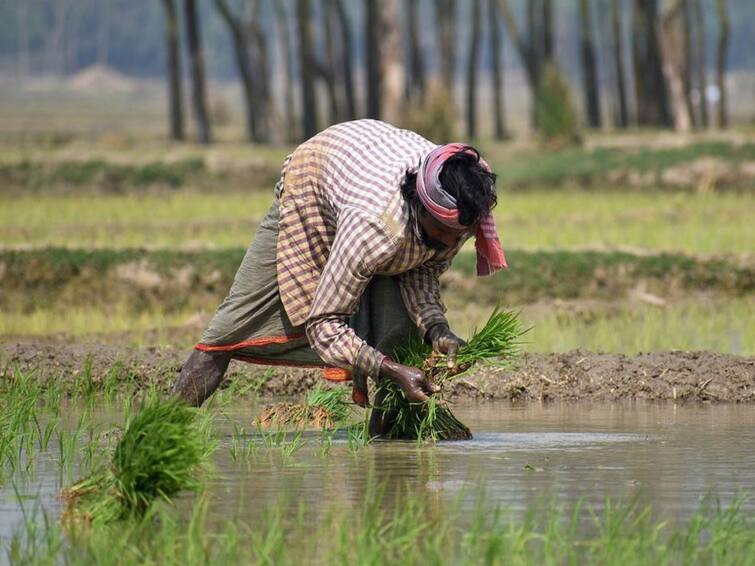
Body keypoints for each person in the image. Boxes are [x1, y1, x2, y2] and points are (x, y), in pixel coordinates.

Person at [172, 119, 506, 434]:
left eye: (458, 236)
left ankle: (383, 447)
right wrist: (390, 369)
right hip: (314, 183)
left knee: (403, 335)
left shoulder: (458, 209)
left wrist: (437, 329)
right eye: (443, 233)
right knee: (230, 328)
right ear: (418, 206)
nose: (450, 244)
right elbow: (324, 324)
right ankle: (164, 429)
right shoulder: (373, 227)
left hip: (364, 168)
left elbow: (424, 266)